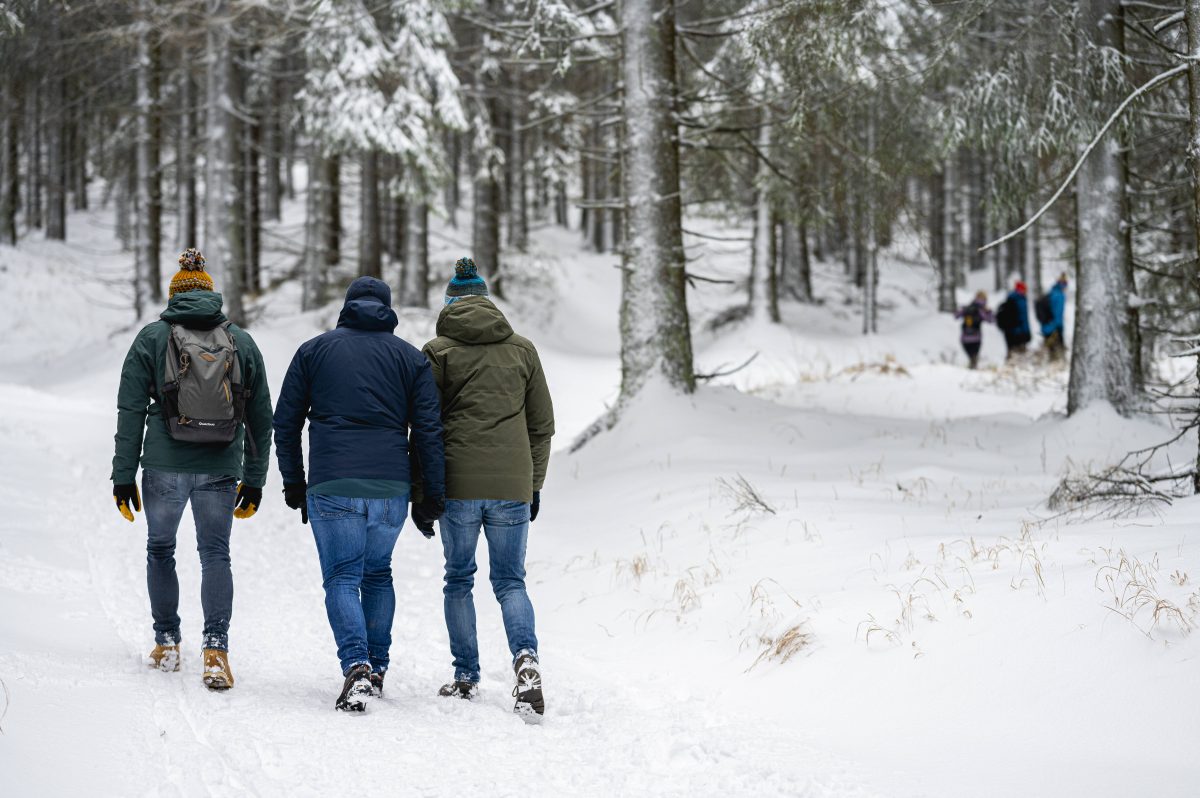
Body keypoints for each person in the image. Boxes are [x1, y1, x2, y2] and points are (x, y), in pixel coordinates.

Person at [273, 276, 445, 712]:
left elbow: (285, 423)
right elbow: (428, 432)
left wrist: (295, 481)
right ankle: (377, 666)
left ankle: (356, 664)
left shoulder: (314, 351)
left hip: (333, 483)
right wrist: (430, 495)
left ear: (348, 307)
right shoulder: (410, 358)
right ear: (387, 309)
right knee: (378, 574)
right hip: (391, 487)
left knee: (342, 577)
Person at [111, 249, 273, 690]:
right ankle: (216, 651)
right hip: (220, 464)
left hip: (164, 463)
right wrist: (254, 480)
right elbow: (261, 418)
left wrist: (123, 475)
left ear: (174, 295)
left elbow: (129, 410)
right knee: (215, 554)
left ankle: (166, 644)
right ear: (210, 293)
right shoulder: (240, 339)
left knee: (160, 550)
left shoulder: (151, 338)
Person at [418, 257, 555, 720]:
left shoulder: (437, 352)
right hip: (512, 485)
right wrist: (532, 484)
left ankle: (466, 675)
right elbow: (542, 427)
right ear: (488, 300)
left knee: (459, 578)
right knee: (510, 580)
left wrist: (424, 490)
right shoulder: (522, 350)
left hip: (458, 483)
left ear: (450, 303)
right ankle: (526, 660)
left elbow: (424, 427)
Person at [954, 290, 995, 370]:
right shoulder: (981, 310)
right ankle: (972, 372)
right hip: (976, 338)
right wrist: (989, 311)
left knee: (972, 359)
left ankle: (971, 370)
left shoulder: (967, 307)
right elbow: (991, 320)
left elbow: (956, 315)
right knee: (974, 358)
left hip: (965, 338)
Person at [995, 280, 1032, 359]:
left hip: (1009, 332)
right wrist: (1027, 333)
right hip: (1019, 333)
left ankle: (1009, 368)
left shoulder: (1010, 298)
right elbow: (1023, 319)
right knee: (1020, 355)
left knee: (1011, 352)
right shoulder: (1020, 301)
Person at [1037, 273, 1069, 360]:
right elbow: (1058, 315)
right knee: (1057, 355)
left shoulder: (1052, 293)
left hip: (1047, 327)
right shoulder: (1059, 296)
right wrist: (1058, 328)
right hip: (1054, 329)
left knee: (1051, 353)